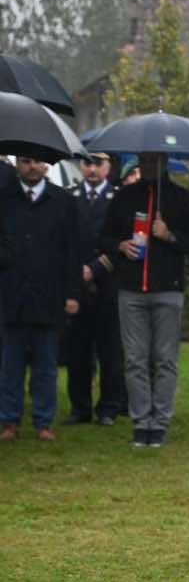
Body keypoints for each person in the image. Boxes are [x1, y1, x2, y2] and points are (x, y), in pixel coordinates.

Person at [101, 152, 189, 448]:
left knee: (165, 360)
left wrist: (169, 236)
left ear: (164, 161)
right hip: (131, 288)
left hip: (167, 289)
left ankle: (160, 422)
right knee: (135, 360)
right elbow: (103, 238)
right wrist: (120, 245)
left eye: (153, 161)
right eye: (144, 161)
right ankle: (141, 421)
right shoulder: (124, 197)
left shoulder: (182, 198)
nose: (148, 166)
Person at [0, 156, 81, 442]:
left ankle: (44, 421)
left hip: (49, 295)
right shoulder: (5, 199)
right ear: (17, 166)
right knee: (10, 364)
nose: (31, 167)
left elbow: (73, 251)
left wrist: (72, 293)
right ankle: (9, 420)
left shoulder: (63, 201)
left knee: (46, 365)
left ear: (46, 166)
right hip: (12, 293)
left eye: (36, 162)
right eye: (25, 162)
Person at [63, 152, 126, 426]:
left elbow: (125, 241)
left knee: (109, 349)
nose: (92, 169)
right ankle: (80, 407)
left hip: (108, 282)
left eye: (98, 163)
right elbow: (62, 239)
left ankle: (109, 407)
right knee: (77, 349)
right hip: (75, 283)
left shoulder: (119, 199)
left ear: (108, 166)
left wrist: (96, 267)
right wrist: (76, 271)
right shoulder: (70, 196)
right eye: (87, 163)